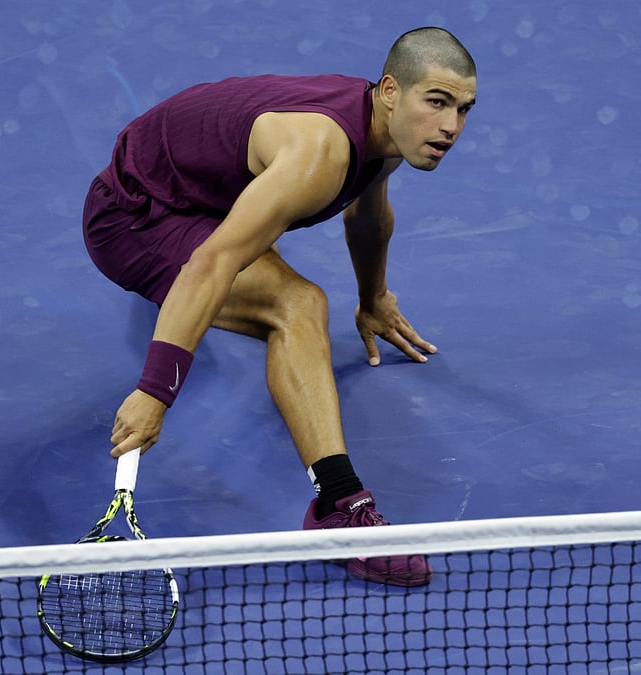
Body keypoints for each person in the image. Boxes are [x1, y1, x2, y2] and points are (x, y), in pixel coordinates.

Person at [81, 27, 476, 587]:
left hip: (194, 189)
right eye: (436, 103)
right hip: (135, 218)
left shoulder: (384, 132)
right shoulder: (320, 155)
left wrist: (373, 300)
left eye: (463, 109)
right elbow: (211, 265)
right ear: (391, 90)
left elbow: (367, 217)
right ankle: (340, 508)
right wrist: (154, 391)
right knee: (296, 304)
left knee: (281, 284)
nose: (451, 127)